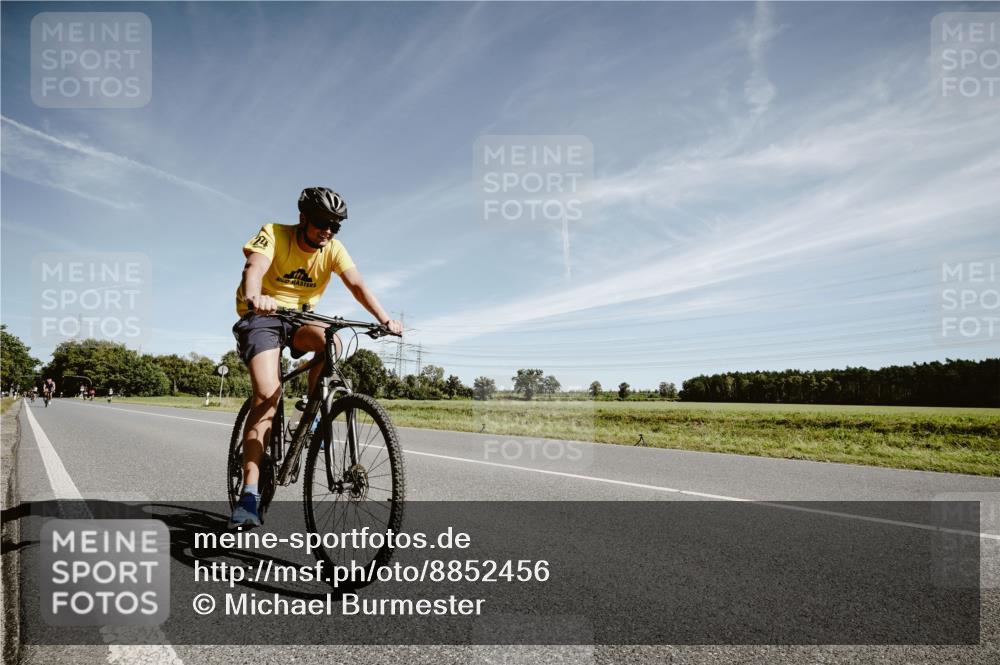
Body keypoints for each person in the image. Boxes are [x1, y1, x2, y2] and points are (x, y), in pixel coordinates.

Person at [228, 186, 402, 529]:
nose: (329, 230)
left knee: (332, 342)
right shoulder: (274, 234)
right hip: (263, 316)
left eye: (336, 226)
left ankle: (311, 408)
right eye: (323, 222)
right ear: (303, 218)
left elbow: (357, 285)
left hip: (301, 319)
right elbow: (254, 267)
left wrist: (385, 319)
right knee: (267, 395)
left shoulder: (333, 249)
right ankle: (249, 493)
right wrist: (254, 297)